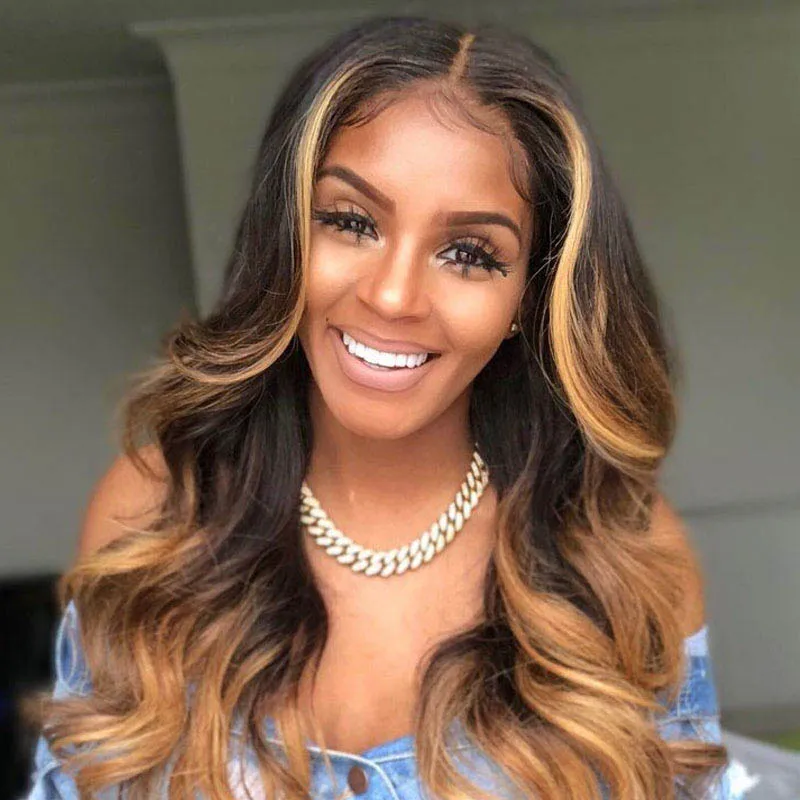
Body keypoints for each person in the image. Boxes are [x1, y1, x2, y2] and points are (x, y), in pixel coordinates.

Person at [26, 15, 745, 800]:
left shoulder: (621, 551)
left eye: (469, 254)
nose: (394, 295)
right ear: (287, 236)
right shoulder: (154, 513)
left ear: (527, 298)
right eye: (350, 221)